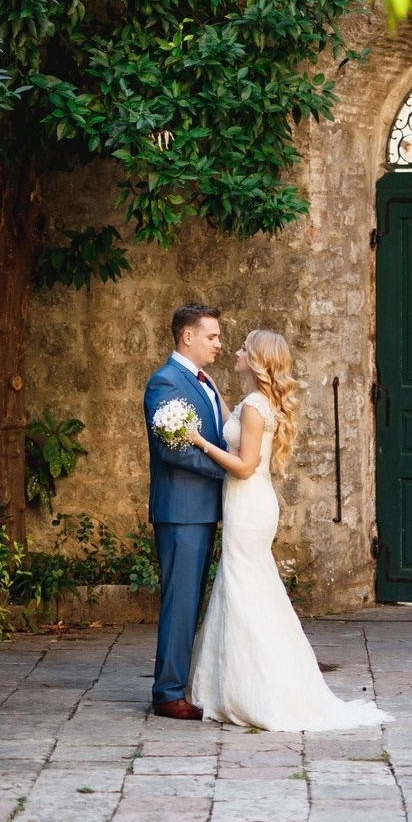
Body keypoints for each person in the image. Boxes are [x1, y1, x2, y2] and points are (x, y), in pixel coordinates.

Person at [185, 329, 391, 732]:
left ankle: (256, 689)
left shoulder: (256, 406)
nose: (236, 351)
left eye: (244, 348)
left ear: (258, 360)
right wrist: (210, 389)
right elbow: (232, 421)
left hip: (248, 502)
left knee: (244, 587)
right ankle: (235, 683)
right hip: (250, 502)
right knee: (247, 588)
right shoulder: (253, 403)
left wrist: (198, 442)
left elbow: (243, 465)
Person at [142, 303, 226, 720]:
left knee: (191, 601)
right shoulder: (165, 382)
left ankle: (181, 683)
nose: (219, 344)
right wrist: (227, 471)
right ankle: (167, 693)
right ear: (186, 336)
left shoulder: (205, 381)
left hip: (203, 509)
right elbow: (171, 449)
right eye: (212, 336)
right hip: (181, 509)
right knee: (180, 602)